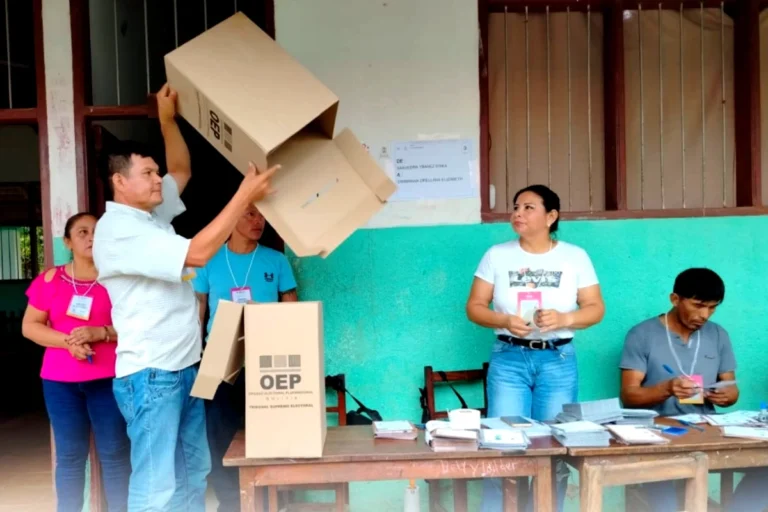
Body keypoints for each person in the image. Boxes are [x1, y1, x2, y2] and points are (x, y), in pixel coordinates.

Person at [92, 83, 278, 512]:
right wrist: (243, 196)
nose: (160, 179)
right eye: (148, 174)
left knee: (193, 475)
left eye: (156, 173)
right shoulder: (119, 231)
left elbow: (181, 167)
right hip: (151, 376)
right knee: (157, 487)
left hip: (184, 369)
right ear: (119, 182)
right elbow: (196, 252)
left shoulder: (152, 215)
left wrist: (167, 120)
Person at [466, 184, 605, 512]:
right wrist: (502, 319)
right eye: (516, 207)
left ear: (551, 216)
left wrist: (563, 318)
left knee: (553, 446)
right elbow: (474, 306)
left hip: (557, 358)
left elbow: (595, 308)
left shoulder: (574, 256)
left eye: (529, 207)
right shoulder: (497, 255)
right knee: (502, 442)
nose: (517, 213)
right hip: (508, 357)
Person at [620, 267, 768, 511]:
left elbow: (731, 389)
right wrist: (667, 388)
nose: (705, 315)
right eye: (698, 305)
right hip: (658, 434)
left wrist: (727, 396)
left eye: (712, 307)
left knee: (764, 467)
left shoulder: (718, 334)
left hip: (706, 430)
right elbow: (630, 395)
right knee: (662, 485)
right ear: (675, 299)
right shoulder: (642, 334)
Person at [21, 212, 130, 512]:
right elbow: (30, 326)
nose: (91, 237)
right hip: (60, 383)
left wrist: (103, 333)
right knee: (70, 456)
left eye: (96, 231)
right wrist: (69, 342)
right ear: (67, 242)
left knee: (115, 452)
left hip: (108, 380)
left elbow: (138, 326)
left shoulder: (118, 280)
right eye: (82, 232)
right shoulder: (50, 280)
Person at [193, 203, 298, 511]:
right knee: (218, 433)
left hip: (266, 354)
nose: (259, 221)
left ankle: (266, 500)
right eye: (250, 214)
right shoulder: (209, 260)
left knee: (266, 430)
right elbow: (200, 311)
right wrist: (195, 356)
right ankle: (230, 502)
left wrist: (265, 315)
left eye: (263, 214)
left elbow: (292, 308)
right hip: (217, 352)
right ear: (232, 216)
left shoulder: (276, 260)